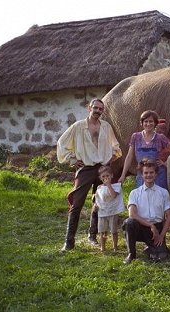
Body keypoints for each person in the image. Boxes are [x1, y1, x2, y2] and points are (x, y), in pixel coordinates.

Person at [57, 98, 122, 251]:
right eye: (96, 108)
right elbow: (61, 143)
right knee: (76, 203)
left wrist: (111, 158)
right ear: (89, 108)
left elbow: (116, 146)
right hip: (85, 168)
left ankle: (92, 236)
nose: (98, 111)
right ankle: (69, 241)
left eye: (101, 109)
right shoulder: (78, 126)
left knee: (99, 203)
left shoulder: (106, 127)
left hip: (102, 170)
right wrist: (72, 159)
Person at [122, 158, 170, 264]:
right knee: (129, 222)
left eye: (151, 172)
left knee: (160, 257)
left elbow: (169, 216)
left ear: (156, 174)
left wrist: (162, 235)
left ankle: (152, 248)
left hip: (157, 229)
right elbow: (132, 214)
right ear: (141, 174)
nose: (148, 175)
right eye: (146, 173)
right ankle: (131, 254)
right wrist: (150, 225)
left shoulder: (163, 192)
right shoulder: (134, 193)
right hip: (140, 227)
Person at [118, 110, 170, 189]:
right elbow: (129, 156)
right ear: (142, 123)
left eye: (151, 121)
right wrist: (123, 175)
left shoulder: (160, 138)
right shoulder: (136, 137)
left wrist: (164, 163)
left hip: (158, 176)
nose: (148, 124)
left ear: (155, 123)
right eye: (146, 121)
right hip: (142, 174)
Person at [93, 165, 125, 253]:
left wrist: (108, 185)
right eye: (103, 176)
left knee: (114, 231)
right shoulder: (99, 188)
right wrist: (95, 205)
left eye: (107, 176)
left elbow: (114, 195)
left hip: (113, 212)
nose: (106, 178)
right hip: (102, 212)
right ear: (100, 178)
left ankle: (115, 247)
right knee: (103, 231)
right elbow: (97, 198)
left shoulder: (116, 186)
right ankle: (102, 247)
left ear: (111, 176)